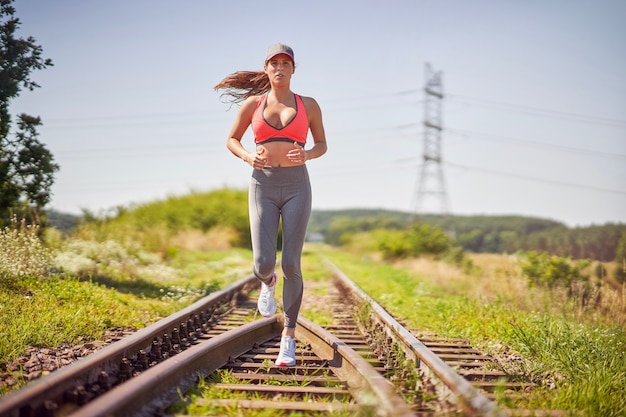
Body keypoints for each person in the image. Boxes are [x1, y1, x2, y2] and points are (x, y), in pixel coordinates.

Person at [214, 43, 328, 366]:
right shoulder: (253, 105)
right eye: (274, 63)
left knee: (292, 263)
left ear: (293, 69)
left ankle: (288, 338)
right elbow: (231, 139)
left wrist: (306, 154)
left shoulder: (309, 105)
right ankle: (268, 281)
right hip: (262, 185)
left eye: (286, 63)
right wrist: (249, 155)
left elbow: (322, 144)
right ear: (266, 69)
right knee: (263, 263)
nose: (280, 68)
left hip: (296, 186)